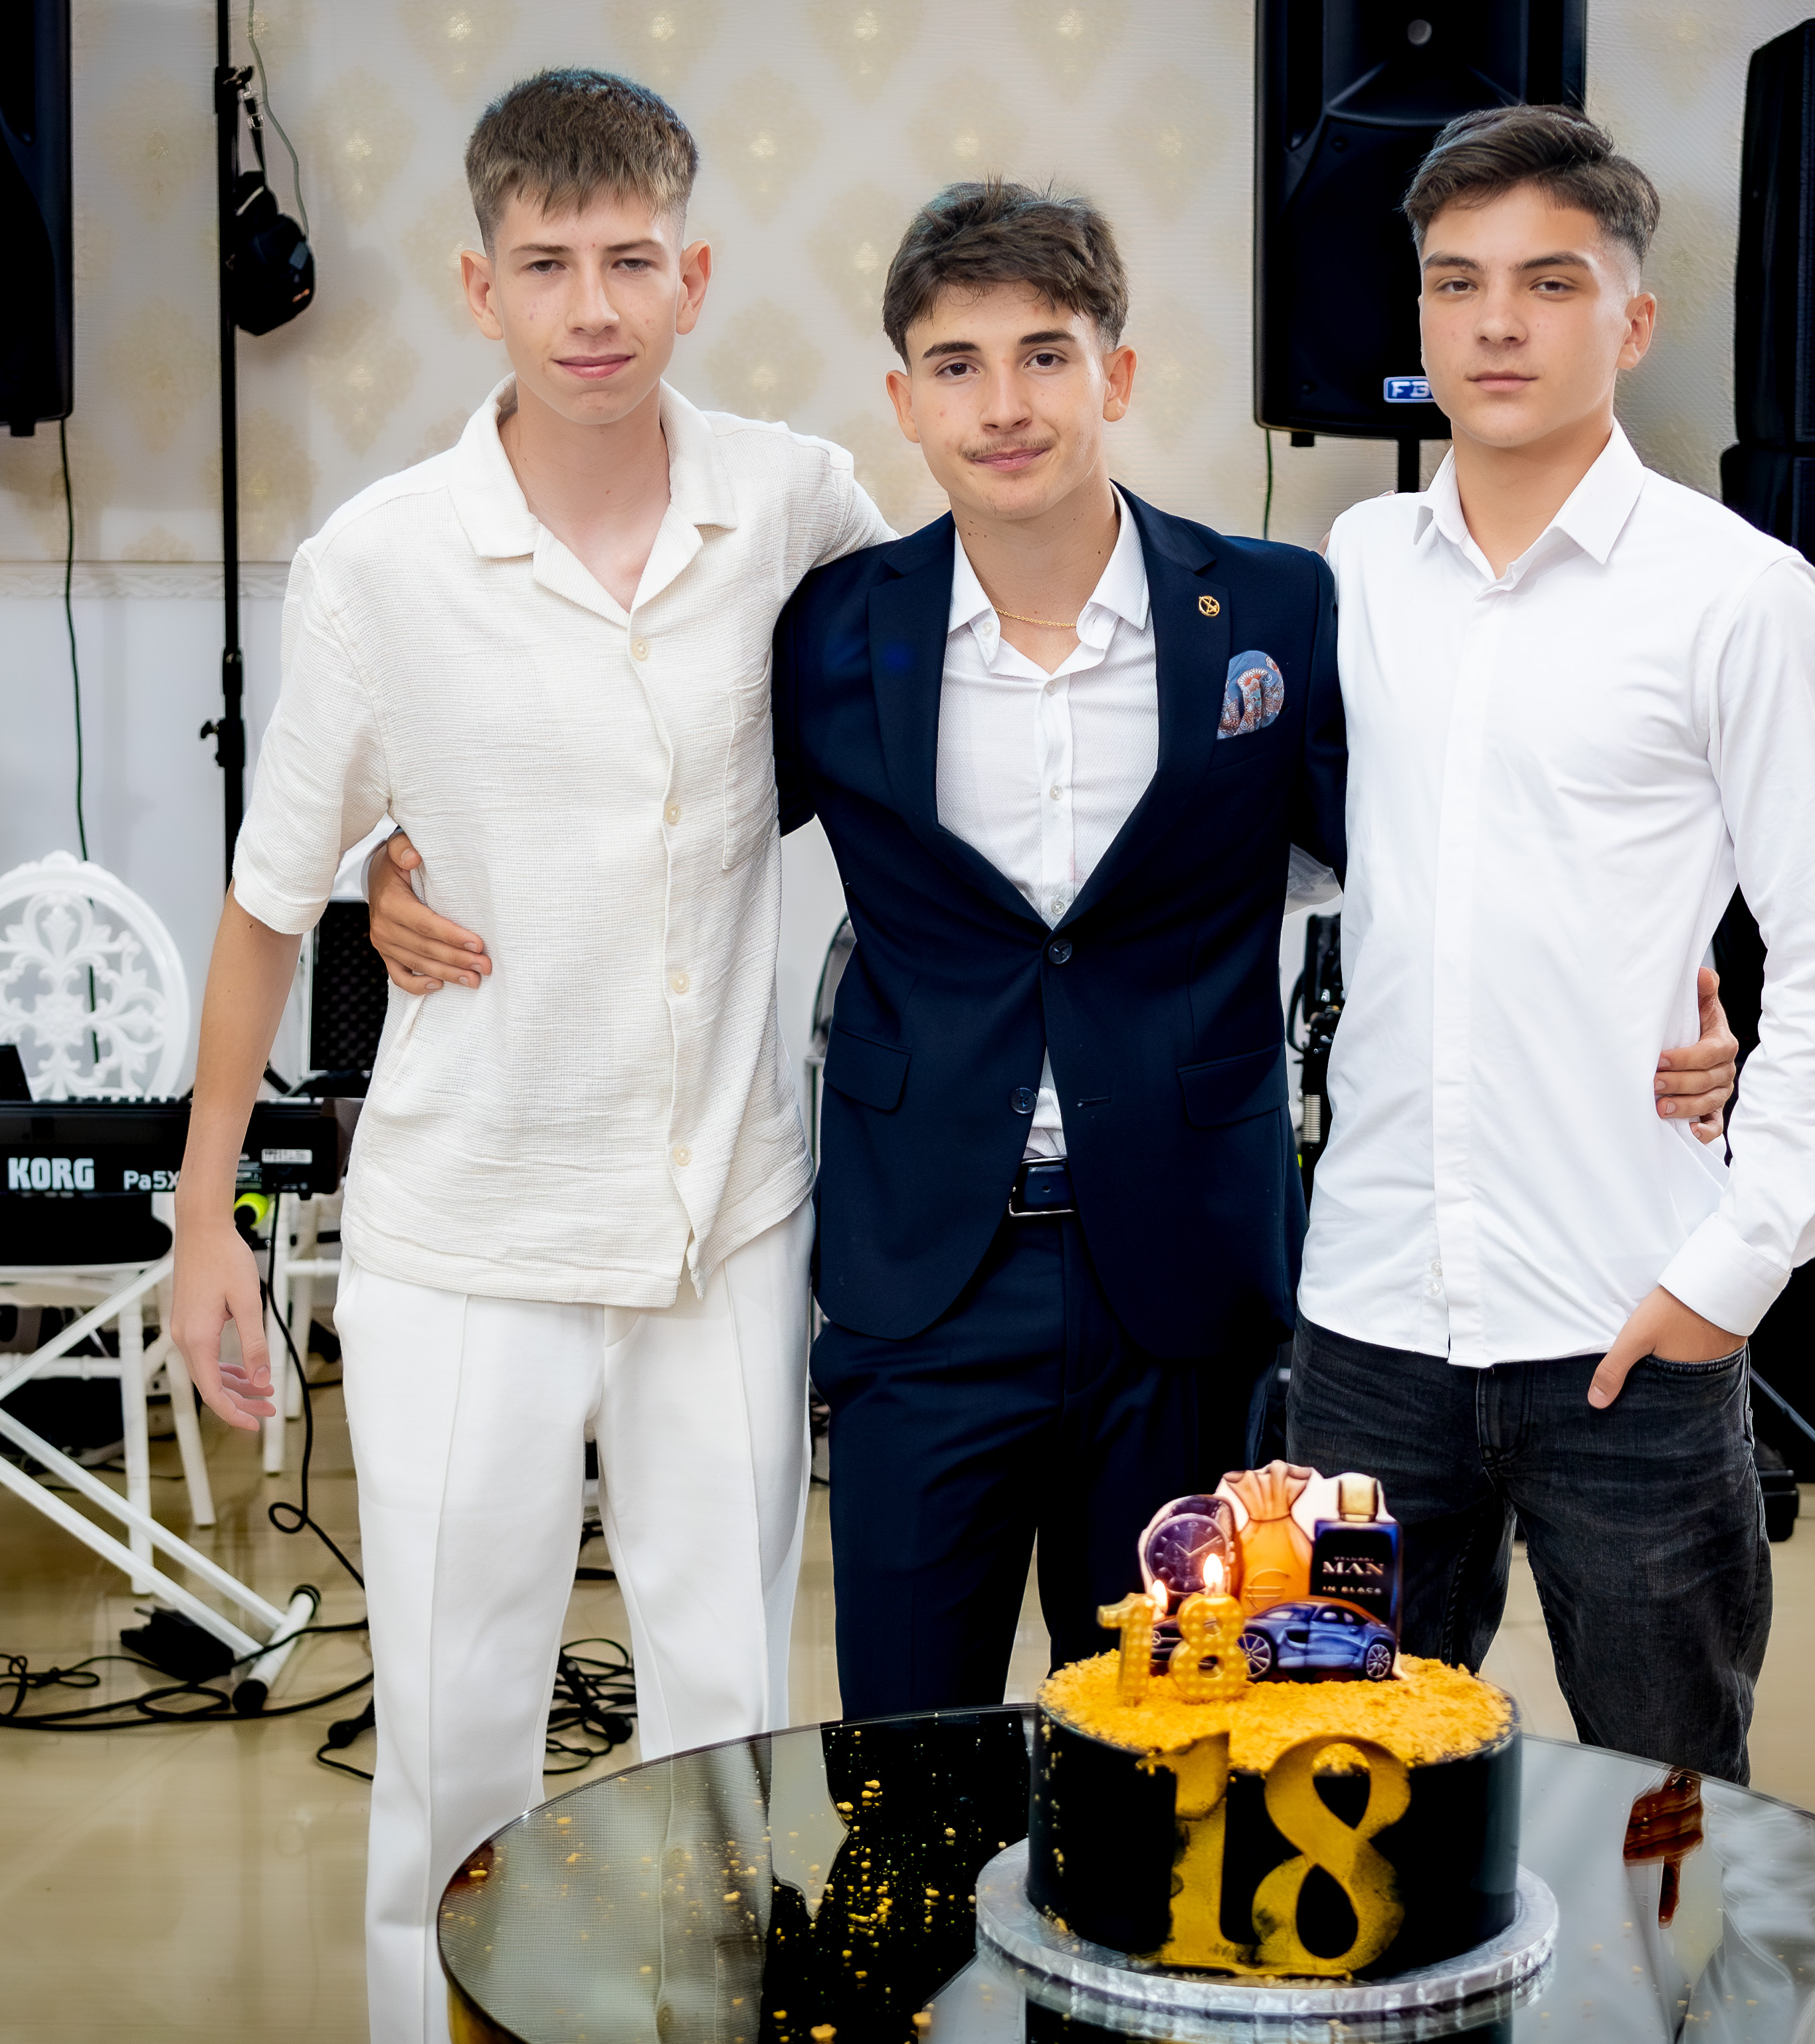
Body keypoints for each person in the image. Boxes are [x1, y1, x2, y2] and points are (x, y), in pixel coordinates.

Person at [367, 181, 1740, 1720]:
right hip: (921, 1285)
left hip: (1184, 1279)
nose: (1003, 405)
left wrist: (1657, 995)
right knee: (908, 1770)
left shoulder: (1276, 610)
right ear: (903, 400)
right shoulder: (827, 632)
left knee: (1164, 1754)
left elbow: (1437, 859)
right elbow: (647, 815)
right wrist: (393, 867)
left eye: (1044, 356)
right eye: (956, 366)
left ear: (1117, 374)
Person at [160, 68, 891, 2044]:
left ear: (693, 277)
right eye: (547, 265)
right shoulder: (379, 565)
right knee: (454, 1750)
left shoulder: (799, 503)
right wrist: (206, 1215)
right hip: (464, 1236)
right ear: (479, 286)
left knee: (727, 1741)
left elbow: (932, 698)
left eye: (631, 261)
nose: (592, 306)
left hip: (723, 1226)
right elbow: (264, 901)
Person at [1290, 105, 1815, 1786]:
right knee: (1345, 1790)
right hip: (1370, 1329)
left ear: (1629, 322)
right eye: (1454, 282)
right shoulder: (1353, 569)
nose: (1496, 322)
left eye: (1548, 283)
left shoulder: (1737, 594)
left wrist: (1735, 1267)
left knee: (1668, 1804)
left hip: (1628, 1319)